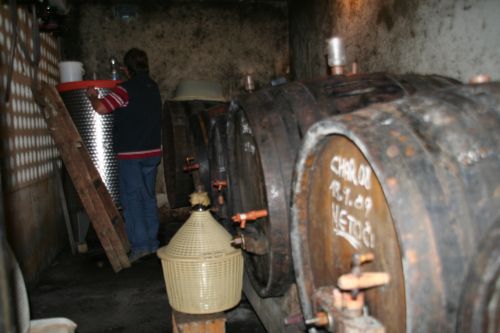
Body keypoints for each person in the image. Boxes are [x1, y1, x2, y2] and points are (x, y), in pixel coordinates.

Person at [87, 48, 162, 263]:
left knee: (132, 200)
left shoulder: (124, 90)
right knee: (148, 197)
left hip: (131, 155)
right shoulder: (153, 87)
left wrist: (93, 96)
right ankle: (153, 243)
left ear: (126, 69)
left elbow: (101, 108)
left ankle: (140, 247)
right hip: (152, 152)